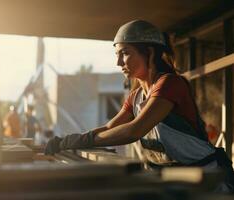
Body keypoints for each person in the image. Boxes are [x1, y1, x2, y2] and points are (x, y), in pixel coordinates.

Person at [44, 20, 234, 193]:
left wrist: (83, 140)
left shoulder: (170, 84)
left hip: (207, 183)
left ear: (150, 53)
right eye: (117, 55)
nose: (118, 62)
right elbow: (111, 128)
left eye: (125, 53)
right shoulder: (135, 97)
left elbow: (134, 130)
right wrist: (69, 141)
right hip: (173, 181)